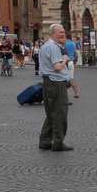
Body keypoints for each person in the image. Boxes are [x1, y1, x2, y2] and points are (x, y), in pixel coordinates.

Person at [38, 24, 73, 152]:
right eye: (60, 32)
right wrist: (65, 59)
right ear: (52, 34)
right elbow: (57, 67)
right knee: (60, 113)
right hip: (56, 83)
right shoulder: (53, 47)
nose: (63, 34)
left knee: (51, 113)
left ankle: (45, 141)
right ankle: (58, 143)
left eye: (64, 32)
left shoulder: (46, 46)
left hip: (49, 82)